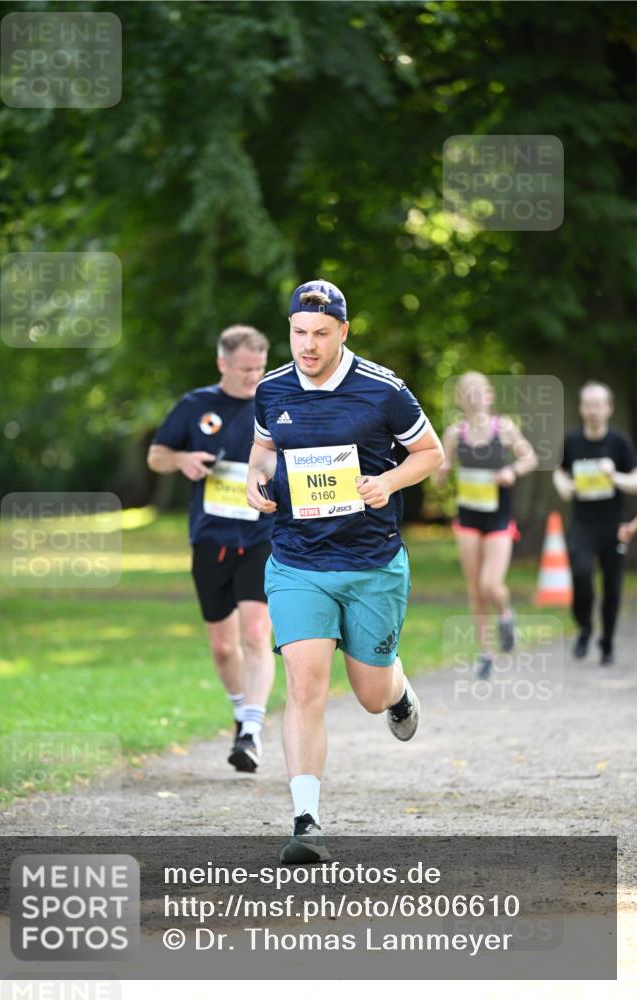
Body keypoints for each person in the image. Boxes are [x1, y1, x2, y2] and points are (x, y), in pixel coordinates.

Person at [246, 279, 444, 863]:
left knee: (370, 694)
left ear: (343, 332)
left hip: (370, 563)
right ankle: (306, 822)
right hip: (297, 561)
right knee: (305, 683)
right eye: (298, 333)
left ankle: (397, 691)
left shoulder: (383, 390)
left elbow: (430, 453)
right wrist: (255, 481)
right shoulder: (271, 389)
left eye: (320, 334)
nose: (307, 345)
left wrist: (388, 482)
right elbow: (264, 449)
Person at [148, 325, 275, 771]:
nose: (253, 377)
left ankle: (252, 731)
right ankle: (241, 712)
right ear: (223, 363)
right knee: (223, 647)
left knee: (256, 632)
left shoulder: (274, 402)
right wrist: (181, 459)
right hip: (210, 538)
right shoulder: (195, 405)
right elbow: (156, 455)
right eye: (245, 370)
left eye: (260, 368)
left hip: (261, 535)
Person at [434, 372, 538, 678]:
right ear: (460, 399)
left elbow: (530, 458)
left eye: (479, 391)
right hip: (468, 516)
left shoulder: (503, 428)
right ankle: (485, 652)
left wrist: (511, 472)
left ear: (489, 395)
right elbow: (439, 475)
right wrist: (442, 472)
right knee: (475, 588)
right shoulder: (455, 433)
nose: (473, 397)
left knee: (490, 584)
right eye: (467, 393)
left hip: (498, 516)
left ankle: (505, 614)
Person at [553, 381, 637, 666]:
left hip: (614, 525)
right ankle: (585, 627)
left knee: (612, 586)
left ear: (609, 408)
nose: (593, 410)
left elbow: (635, 480)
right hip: (582, 523)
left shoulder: (619, 442)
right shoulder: (573, 440)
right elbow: (559, 472)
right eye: (588, 404)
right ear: (581, 409)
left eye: (598, 404)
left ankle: (607, 642)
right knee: (581, 575)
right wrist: (565, 487)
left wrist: (614, 476)